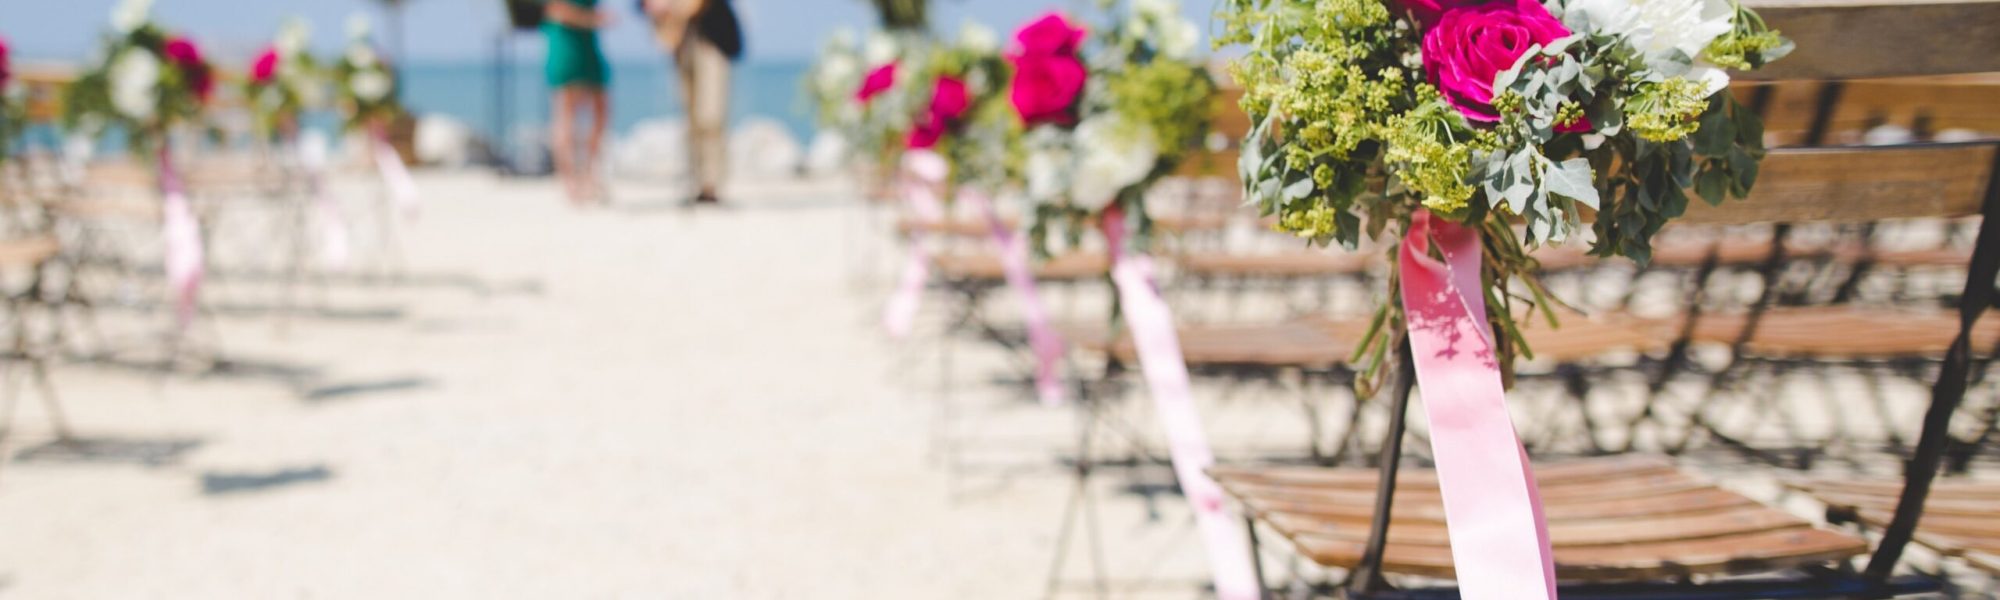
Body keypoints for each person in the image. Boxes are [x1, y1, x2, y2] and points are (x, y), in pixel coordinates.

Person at [643, 0, 742, 205]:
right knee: (690, 116)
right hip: (680, 40)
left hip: (712, 37)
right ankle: (695, 180)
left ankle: (711, 183)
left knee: (711, 113)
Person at [543, 0, 614, 205]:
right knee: (566, 115)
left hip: (588, 44)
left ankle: (589, 173)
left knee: (601, 111)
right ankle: (571, 182)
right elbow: (556, 10)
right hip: (566, 42)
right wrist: (593, 19)